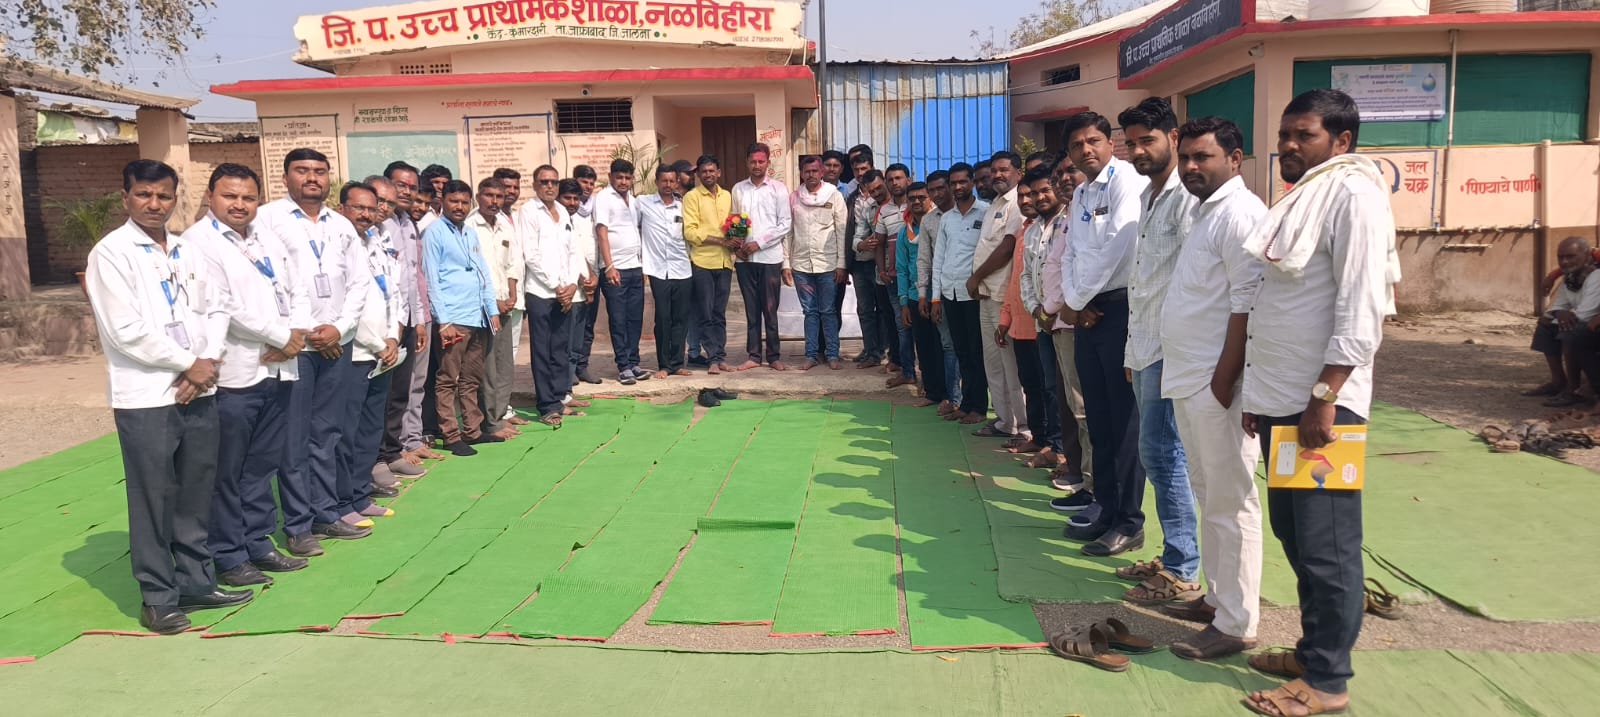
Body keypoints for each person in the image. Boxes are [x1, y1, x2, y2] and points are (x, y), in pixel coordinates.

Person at [1240, 89, 1397, 717]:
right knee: (1295, 532)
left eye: (1304, 135)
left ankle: (1328, 682)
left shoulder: (1355, 194)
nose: (1289, 145)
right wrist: (1260, 395)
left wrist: (1324, 399)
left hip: (1323, 409)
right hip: (1283, 399)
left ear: (1342, 140)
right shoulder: (1307, 194)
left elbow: (1361, 309)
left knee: (1327, 544)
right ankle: (1312, 652)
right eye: (1285, 134)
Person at [85, 159, 251, 634]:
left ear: (176, 199)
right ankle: (158, 598)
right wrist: (188, 363)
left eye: (163, 195)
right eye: (144, 194)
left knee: (196, 491)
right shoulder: (111, 254)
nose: (154, 204)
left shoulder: (185, 250)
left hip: (199, 389)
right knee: (154, 498)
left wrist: (207, 362)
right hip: (147, 397)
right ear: (126, 198)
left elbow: (217, 308)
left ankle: (196, 581)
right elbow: (125, 330)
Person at [1160, 117, 1268, 662]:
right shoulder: (1205, 213)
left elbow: (1249, 303)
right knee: (1208, 494)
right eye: (1186, 158)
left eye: (1203, 157)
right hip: (1190, 376)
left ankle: (1238, 623)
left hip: (1216, 383)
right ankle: (1219, 599)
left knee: (1231, 500)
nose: (1191, 167)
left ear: (1235, 159)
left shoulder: (1242, 214)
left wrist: (1224, 382)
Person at [187, 163, 310, 589]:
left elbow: (296, 288)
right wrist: (282, 336)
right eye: (230, 196)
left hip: (278, 368)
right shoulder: (198, 243)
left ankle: (258, 542)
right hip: (235, 374)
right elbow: (224, 307)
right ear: (210, 196)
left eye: (248, 197)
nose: (240, 205)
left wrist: (296, 334)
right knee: (228, 470)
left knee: (261, 465)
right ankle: (228, 553)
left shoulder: (265, 237)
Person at [257, 148, 370, 555]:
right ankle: (297, 525)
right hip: (295, 345)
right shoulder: (266, 220)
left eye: (320, 171)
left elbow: (360, 281)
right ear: (285, 177)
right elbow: (264, 280)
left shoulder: (341, 225)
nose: (312, 178)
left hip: (336, 343)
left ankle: (325, 512)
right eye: (302, 170)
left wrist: (340, 327)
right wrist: (298, 331)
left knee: (327, 433)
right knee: (294, 438)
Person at [1114, 98, 1202, 597]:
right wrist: (1133, 352)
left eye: (1147, 140)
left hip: (1174, 350)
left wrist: (1172, 355)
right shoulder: (1149, 197)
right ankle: (1174, 554)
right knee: (1156, 454)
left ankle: (1183, 567)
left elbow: (1193, 280)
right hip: (1147, 346)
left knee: (1165, 455)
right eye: (1131, 143)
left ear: (1173, 136)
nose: (1138, 151)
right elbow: (1143, 281)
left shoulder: (1187, 197)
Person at [1058, 111, 1151, 558]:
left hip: (1119, 309)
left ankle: (1130, 521)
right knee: (1098, 418)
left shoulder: (1126, 181)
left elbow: (1120, 245)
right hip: (1086, 312)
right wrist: (1075, 302)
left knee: (1124, 420)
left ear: (1110, 143)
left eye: (1093, 141)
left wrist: (1079, 300)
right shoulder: (1080, 193)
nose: (1086, 150)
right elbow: (1071, 252)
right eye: (1077, 145)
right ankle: (1107, 509)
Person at [334, 182, 403, 527]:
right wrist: (378, 344)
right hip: (357, 352)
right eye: (359, 207)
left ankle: (361, 494)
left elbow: (393, 293)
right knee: (347, 432)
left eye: (372, 208)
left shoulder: (377, 241)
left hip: (384, 352)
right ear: (342, 208)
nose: (368, 214)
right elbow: (350, 305)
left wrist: (393, 336)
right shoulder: (339, 243)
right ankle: (342, 500)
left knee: (369, 430)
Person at [424, 179, 502, 456]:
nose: (459, 207)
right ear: (443, 201)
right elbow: (431, 278)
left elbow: (483, 272)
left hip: (476, 315)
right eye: (453, 201)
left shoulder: (469, 233)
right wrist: (443, 321)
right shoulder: (434, 233)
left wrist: (491, 309)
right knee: (448, 378)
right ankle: (450, 434)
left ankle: (473, 430)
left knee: (471, 378)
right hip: (453, 317)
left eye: (464, 202)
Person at [377, 162, 436, 482]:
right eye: (401, 185)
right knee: (383, 394)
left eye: (412, 187)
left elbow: (414, 277)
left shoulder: (408, 223)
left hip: (409, 318)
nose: (407, 192)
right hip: (386, 323)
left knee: (403, 389)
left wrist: (420, 320)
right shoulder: (381, 224)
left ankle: (394, 451)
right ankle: (378, 458)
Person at [1041, 159, 1094, 503]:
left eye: (1069, 171)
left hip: (1073, 319)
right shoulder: (1068, 216)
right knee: (1071, 405)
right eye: (1058, 174)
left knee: (1083, 407)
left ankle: (1093, 486)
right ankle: (1082, 475)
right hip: (1058, 321)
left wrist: (1054, 307)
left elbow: (1079, 267)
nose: (1063, 178)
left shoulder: (1088, 213)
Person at [1004, 167, 1063, 470]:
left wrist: (1048, 310)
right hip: (1036, 318)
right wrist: (1036, 308)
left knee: (1058, 391)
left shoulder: (1067, 224)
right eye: (1026, 194)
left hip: (1062, 320)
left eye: (1041, 192)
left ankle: (1060, 448)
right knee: (1038, 385)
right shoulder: (1030, 231)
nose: (1033, 199)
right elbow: (1024, 276)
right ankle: (1044, 440)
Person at [521, 165, 586, 427]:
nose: (550, 186)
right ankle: (547, 405)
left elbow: (573, 252)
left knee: (560, 349)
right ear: (535, 185)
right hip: (541, 292)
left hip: (565, 293)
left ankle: (560, 399)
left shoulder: (562, 210)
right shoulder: (529, 211)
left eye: (554, 182)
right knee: (543, 351)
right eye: (544, 181)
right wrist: (557, 286)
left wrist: (570, 285)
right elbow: (531, 255)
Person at [969, 150, 1028, 442]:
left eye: (1004, 170)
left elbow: (1007, 248)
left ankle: (1023, 426)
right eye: (994, 171)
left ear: (1018, 172)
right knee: (993, 362)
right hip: (986, 294)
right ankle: (1005, 421)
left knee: (1010, 364)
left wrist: (976, 276)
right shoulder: (995, 203)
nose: (997, 175)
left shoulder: (1017, 202)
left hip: (1003, 296)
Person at [931, 163, 991, 425]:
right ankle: (966, 404)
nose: (958, 187)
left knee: (976, 352)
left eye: (962, 182)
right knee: (961, 351)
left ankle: (979, 406)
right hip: (950, 292)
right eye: (953, 183)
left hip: (973, 293)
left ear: (972, 183)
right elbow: (939, 258)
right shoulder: (947, 218)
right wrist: (935, 297)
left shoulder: (986, 212)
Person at [466, 177, 521, 441]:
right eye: (489, 195)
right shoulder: (469, 227)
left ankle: (499, 417)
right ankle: (489, 422)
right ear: (478, 197)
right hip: (482, 308)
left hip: (504, 304)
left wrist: (512, 295)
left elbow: (512, 264)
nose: (494, 201)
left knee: (504, 365)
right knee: (487, 369)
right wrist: (493, 303)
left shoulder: (504, 225)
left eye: (498, 196)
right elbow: (472, 270)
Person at [732, 142, 792, 371]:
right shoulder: (738, 189)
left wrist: (759, 243)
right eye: (753, 161)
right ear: (747, 163)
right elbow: (736, 219)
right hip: (745, 261)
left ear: (768, 163)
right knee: (751, 310)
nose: (757, 165)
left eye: (761, 161)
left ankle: (774, 356)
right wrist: (738, 245)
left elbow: (784, 224)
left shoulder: (778, 189)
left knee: (770, 309)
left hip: (769, 258)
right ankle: (754, 355)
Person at [785, 154, 849, 370]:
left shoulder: (834, 196)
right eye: (807, 171)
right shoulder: (794, 198)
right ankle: (811, 355)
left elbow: (842, 231)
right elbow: (788, 233)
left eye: (815, 171)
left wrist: (842, 264)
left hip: (828, 265)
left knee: (828, 311)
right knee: (810, 312)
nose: (811, 175)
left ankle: (832, 354)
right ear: (801, 174)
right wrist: (786, 264)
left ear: (821, 172)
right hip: (801, 265)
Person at [594, 159, 649, 384]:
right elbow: (602, 232)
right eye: (619, 177)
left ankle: (634, 362)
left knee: (635, 318)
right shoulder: (603, 198)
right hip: (615, 269)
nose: (623, 181)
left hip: (635, 267)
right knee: (618, 318)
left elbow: (637, 231)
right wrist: (609, 266)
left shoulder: (634, 202)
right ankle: (623, 366)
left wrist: (642, 265)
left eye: (627, 177)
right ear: (610, 177)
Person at [1528, 237, 1600, 407]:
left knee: (1570, 331)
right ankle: (1558, 381)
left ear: (1586, 255)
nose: (1564, 262)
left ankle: (1573, 389)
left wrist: (1563, 315)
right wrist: (1559, 313)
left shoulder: (1596, 276)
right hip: (1585, 320)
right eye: (1561, 257)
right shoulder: (1571, 276)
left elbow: (1585, 314)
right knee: (1545, 326)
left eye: (1570, 256)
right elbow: (1558, 306)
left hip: (1592, 323)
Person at [682, 155, 736, 375]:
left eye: (712, 171)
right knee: (705, 313)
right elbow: (690, 232)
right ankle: (712, 358)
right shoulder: (692, 197)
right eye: (704, 171)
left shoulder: (727, 196)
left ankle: (720, 356)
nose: (708, 175)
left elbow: (733, 225)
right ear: (698, 174)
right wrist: (721, 241)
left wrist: (737, 238)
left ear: (718, 173)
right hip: (702, 262)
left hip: (725, 262)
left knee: (719, 313)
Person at [639, 165, 693, 378]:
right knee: (662, 318)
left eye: (672, 181)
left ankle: (677, 363)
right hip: (658, 270)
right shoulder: (643, 203)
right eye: (664, 181)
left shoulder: (683, 206)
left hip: (682, 269)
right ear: (657, 182)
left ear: (676, 182)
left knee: (681, 318)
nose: (668, 185)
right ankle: (664, 365)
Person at [897, 181, 947, 407]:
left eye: (921, 197)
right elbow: (902, 268)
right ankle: (932, 392)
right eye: (912, 198)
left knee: (944, 346)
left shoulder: (940, 222)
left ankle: (949, 394)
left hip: (940, 294)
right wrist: (904, 303)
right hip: (915, 297)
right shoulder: (904, 232)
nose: (916, 202)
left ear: (930, 199)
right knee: (924, 347)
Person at [917, 170, 963, 412]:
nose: (937, 193)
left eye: (941, 188)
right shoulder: (929, 220)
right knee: (948, 345)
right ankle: (954, 398)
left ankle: (973, 399)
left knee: (970, 345)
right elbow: (925, 260)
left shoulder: (976, 212)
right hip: (941, 291)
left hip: (970, 290)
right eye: (932, 190)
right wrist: (923, 295)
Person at [559, 179, 603, 390]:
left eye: (576, 199)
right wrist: (582, 281)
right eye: (567, 198)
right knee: (566, 337)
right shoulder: (555, 221)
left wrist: (591, 276)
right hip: (565, 289)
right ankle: (565, 381)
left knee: (583, 331)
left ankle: (579, 368)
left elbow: (579, 254)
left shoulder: (574, 220)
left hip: (583, 285)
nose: (572, 202)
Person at [875, 163, 913, 383]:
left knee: (924, 327)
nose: (894, 183)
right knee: (902, 325)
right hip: (894, 278)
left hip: (918, 277)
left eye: (898, 178)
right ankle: (907, 372)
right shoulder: (884, 210)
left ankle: (930, 377)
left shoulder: (919, 202)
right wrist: (882, 270)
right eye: (890, 179)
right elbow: (879, 243)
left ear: (908, 179)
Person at [849, 170, 890, 368]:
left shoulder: (902, 206)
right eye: (872, 191)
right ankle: (871, 352)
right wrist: (861, 244)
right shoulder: (868, 210)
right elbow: (857, 237)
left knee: (887, 311)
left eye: (879, 188)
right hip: (865, 263)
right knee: (865, 310)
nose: (876, 193)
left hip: (890, 266)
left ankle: (888, 352)